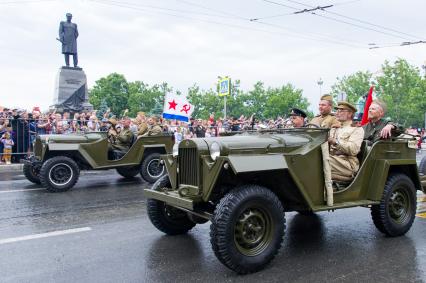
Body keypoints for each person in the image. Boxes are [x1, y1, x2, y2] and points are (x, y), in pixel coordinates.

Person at [328, 102, 364, 181]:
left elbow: (354, 149)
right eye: (337, 110)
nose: (337, 113)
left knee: (319, 160)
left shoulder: (356, 129)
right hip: (334, 159)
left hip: (347, 163)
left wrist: (336, 142)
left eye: (341, 110)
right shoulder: (335, 128)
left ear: (350, 114)